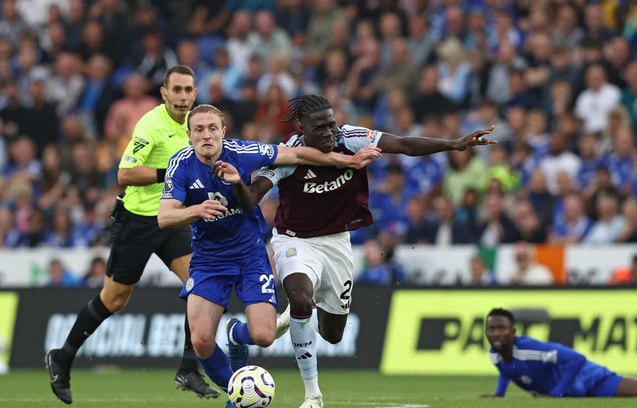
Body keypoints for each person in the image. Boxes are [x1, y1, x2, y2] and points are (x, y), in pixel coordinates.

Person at [220, 94, 495, 408]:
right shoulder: (286, 153)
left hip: (337, 243)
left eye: (331, 124)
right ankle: (313, 395)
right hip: (295, 240)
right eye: (319, 127)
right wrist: (236, 184)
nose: (328, 132)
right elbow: (253, 198)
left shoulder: (350, 137)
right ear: (301, 127)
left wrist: (453, 144)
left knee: (332, 334)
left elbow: (403, 145)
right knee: (299, 296)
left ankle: (280, 321)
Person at [157, 104, 380, 404]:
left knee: (263, 336)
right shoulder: (180, 164)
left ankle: (237, 334)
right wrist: (197, 210)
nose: (206, 135)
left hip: (250, 255)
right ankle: (238, 395)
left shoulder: (245, 152)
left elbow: (299, 154)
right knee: (201, 340)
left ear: (223, 131)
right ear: (189, 136)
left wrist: (348, 161)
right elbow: (164, 217)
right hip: (209, 260)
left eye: (212, 128)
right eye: (199, 130)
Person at [45, 65, 219, 404]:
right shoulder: (151, 124)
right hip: (138, 220)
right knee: (114, 300)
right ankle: (62, 357)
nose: (183, 97)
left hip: (173, 219)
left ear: (195, 93)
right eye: (177, 90)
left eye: (189, 90)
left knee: (202, 285)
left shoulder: (197, 124)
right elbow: (125, 173)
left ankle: (188, 368)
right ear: (164, 94)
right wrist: (170, 172)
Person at [484, 308, 637, 398]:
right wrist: (499, 394)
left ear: (513, 332)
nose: (497, 333)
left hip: (592, 380)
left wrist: (557, 394)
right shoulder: (494, 355)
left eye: (502, 328)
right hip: (575, 392)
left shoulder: (530, 351)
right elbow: (507, 369)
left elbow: (577, 359)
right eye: (492, 329)